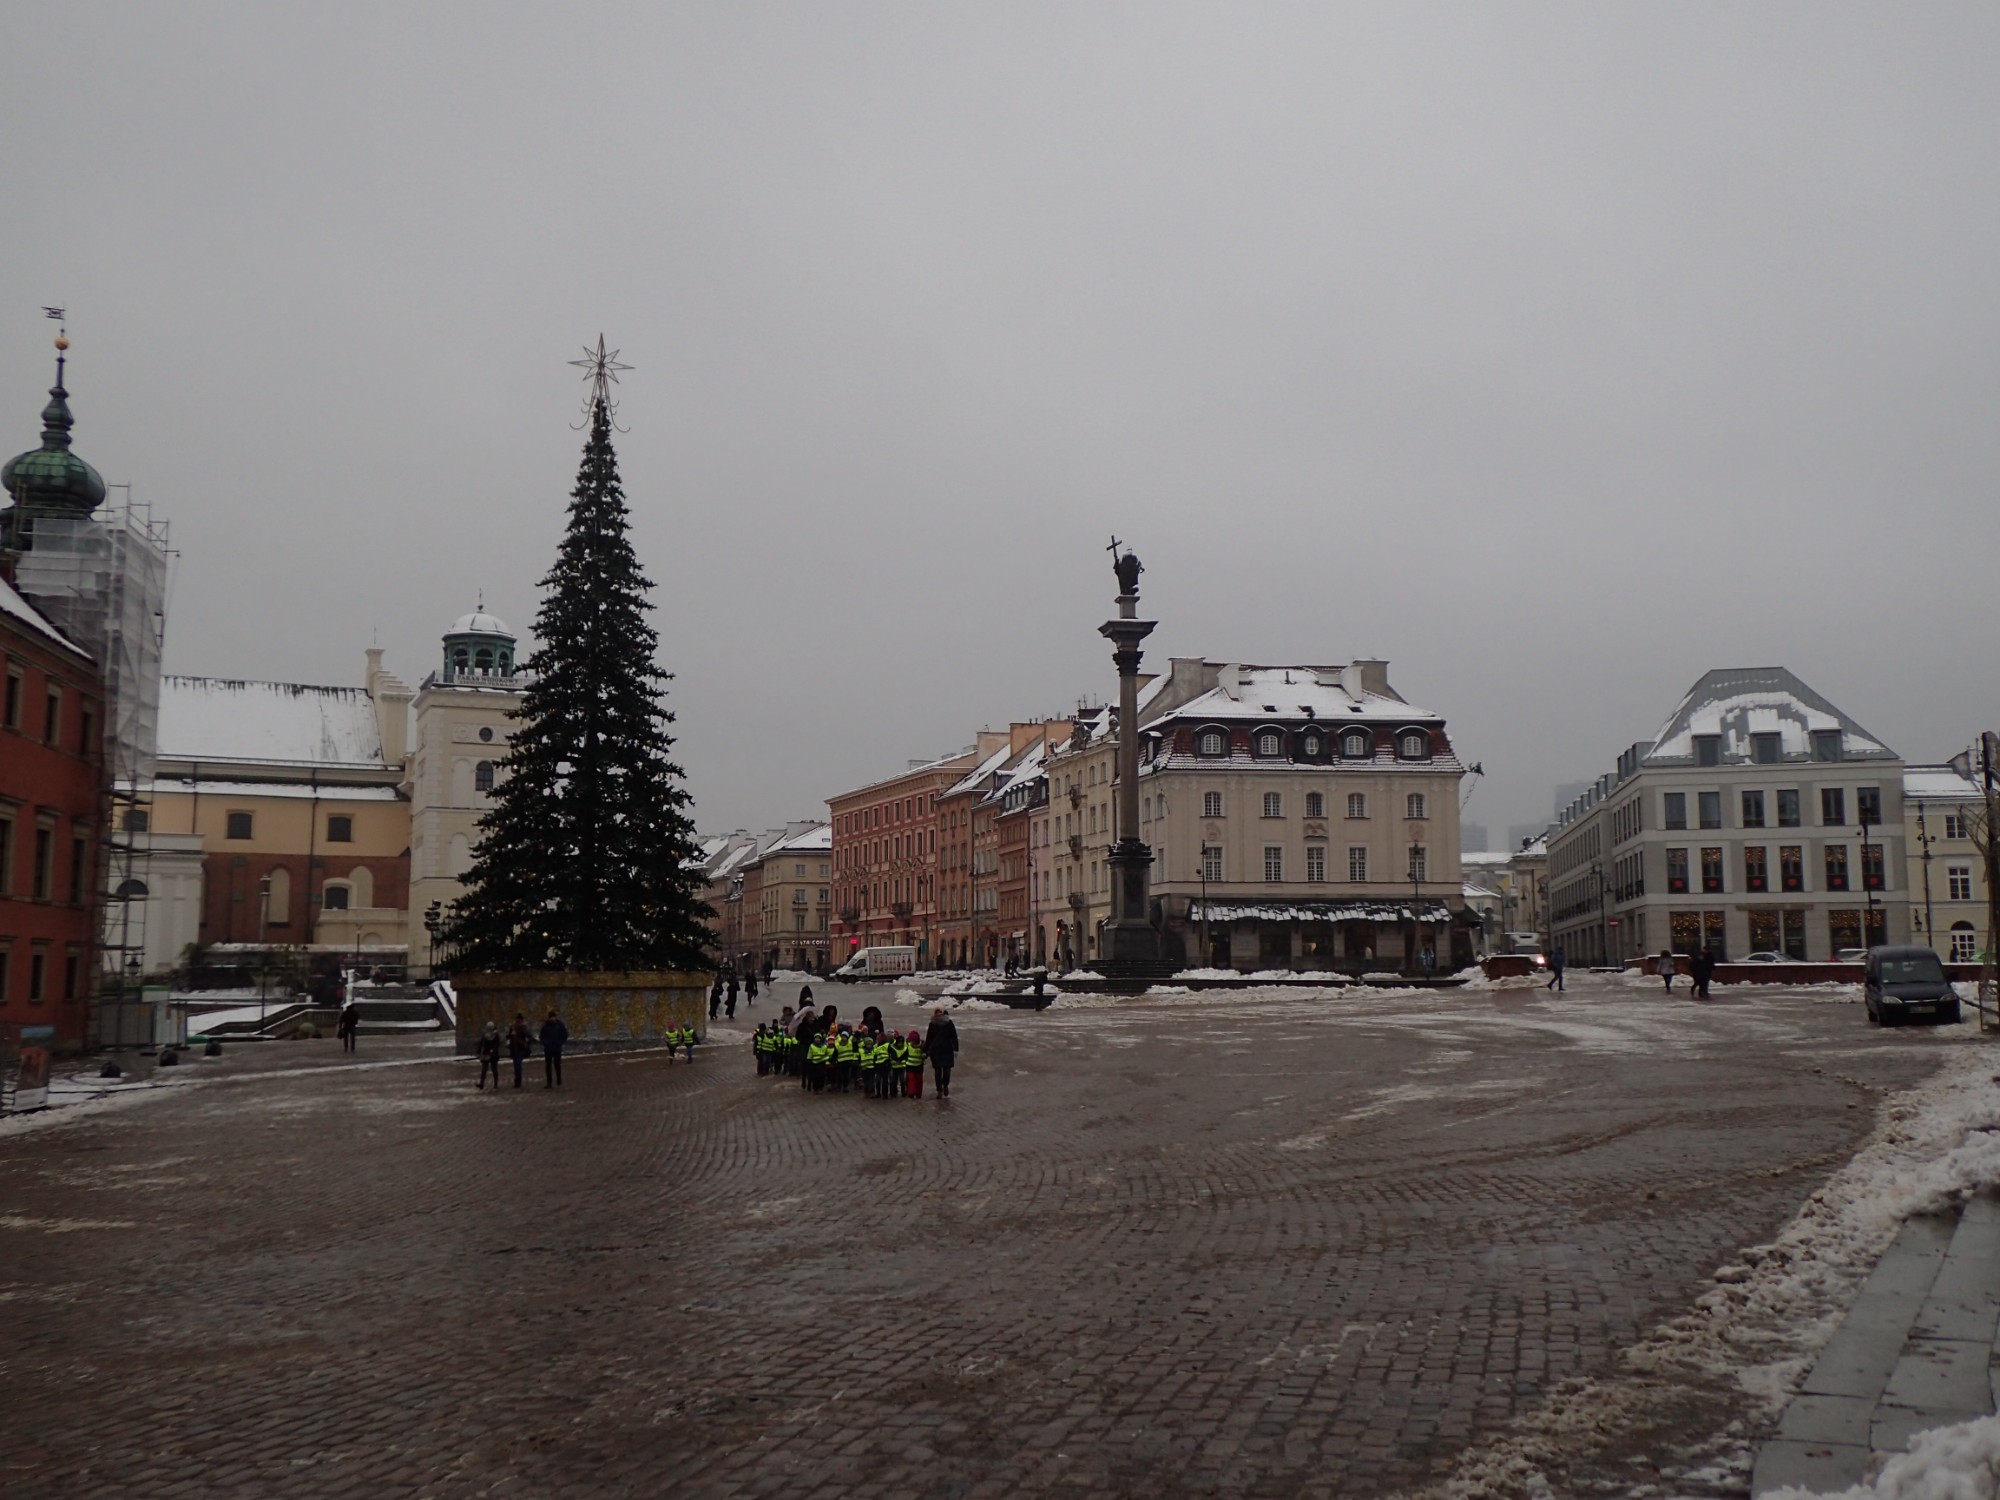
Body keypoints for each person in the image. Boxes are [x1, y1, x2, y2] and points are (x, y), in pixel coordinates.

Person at [925, 1007, 959, 1099]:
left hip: (947, 1050)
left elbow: (954, 1036)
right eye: (936, 1012)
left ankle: (945, 1085)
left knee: (947, 1071)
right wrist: (925, 1050)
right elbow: (929, 1038)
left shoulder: (948, 1023)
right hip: (936, 1051)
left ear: (943, 1013)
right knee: (937, 1072)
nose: (938, 1013)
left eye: (940, 1012)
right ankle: (939, 1090)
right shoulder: (932, 1024)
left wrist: (956, 1049)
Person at [540, 1008, 569, 1088]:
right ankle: (549, 1082)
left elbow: (565, 1034)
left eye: (553, 1017)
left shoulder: (560, 1025)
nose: (552, 1019)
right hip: (548, 1048)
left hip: (557, 1048)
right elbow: (541, 1036)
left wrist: (559, 1043)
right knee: (548, 1066)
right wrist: (545, 1043)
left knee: (557, 1065)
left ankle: (558, 1079)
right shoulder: (545, 1026)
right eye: (551, 1017)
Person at [506, 1012, 533, 1089]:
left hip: (521, 1048)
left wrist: (526, 1044)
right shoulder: (513, 1028)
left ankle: (518, 1081)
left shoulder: (524, 1028)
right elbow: (509, 1036)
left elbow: (529, 1037)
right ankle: (517, 1080)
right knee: (516, 1065)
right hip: (514, 1048)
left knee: (518, 1064)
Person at [475, 1021, 502, 1090]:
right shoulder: (485, 1035)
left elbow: (497, 1044)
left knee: (494, 1069)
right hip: (486, 1054)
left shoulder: (496, 1035)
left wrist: (493, 1050)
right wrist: (478, 1052)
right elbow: (481, 1044)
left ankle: (496, 1083)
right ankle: (481, 1084)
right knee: (484, 1070)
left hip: (493, 1055)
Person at [904, 1030, 926, 1098]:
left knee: (919, 1080)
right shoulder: (908, 1045)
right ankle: (911, 1092)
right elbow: (904, 1054)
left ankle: (918, 1094)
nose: (912, 1042)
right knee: (911, 1079)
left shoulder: (923, 1046)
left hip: (919, 1066)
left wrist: (925, 1055)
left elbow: (928, 1052)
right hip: (910, 1066)